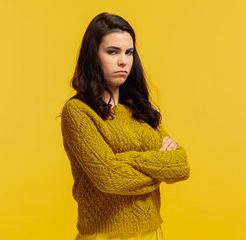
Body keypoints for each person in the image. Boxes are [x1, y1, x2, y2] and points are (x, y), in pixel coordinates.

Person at [61, 12, 190, 240]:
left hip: (151, 232)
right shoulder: (78, 112)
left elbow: (180, 165)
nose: (123, 61)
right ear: (93, 55)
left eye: (129, 52)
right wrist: (157, 159)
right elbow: (110, 177)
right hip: (103, 235)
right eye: (113, 52)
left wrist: (122, 160)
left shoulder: (140, 109)